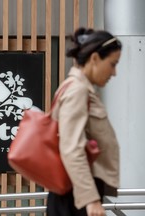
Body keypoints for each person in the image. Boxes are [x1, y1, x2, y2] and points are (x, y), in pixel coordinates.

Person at [46, 27, 122, 216]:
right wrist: (91, 200)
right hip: (75, 198)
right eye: (112, 64)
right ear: (95, 59)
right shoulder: (77, 91)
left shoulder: (74, 88)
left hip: (75, 193)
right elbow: (72, 148)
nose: (114, 73)